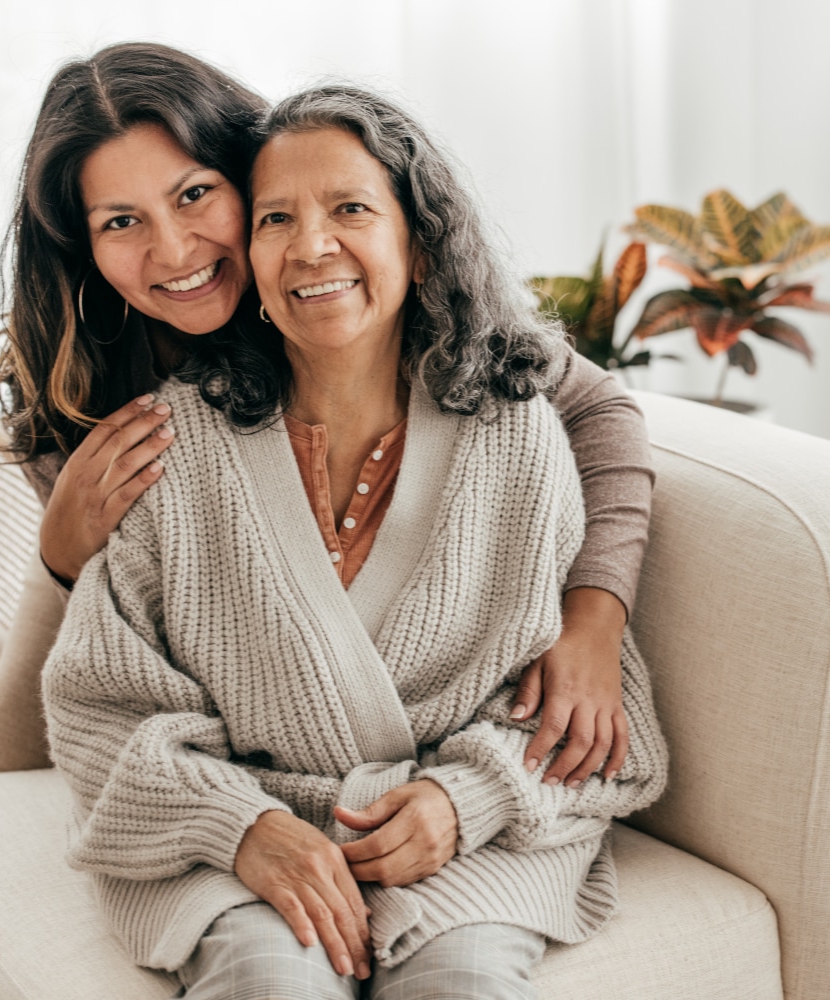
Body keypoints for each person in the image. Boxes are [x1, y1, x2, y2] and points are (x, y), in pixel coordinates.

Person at [42, 84, 668, 999]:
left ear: (420, 241)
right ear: (250, 257)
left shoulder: (515, 432)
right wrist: (238, 827)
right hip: (241, 838)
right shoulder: (165, 446)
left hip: (465, 838)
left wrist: (470, 798)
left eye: (351, 209)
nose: (311, 246)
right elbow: (98, 706)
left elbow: (594, 729)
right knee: (267, 982)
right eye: (276, 219)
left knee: (460, 982)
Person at [0, 41, 654, 796]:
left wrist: (594, 618)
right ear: (83, 247)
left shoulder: (353, 301)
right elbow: (101, 670)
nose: (175, 248)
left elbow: (598, 408)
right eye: (121, 221)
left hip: (344, 761)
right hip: (116, 649)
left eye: (194, 195)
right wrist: (59, 557)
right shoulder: (81, 382)